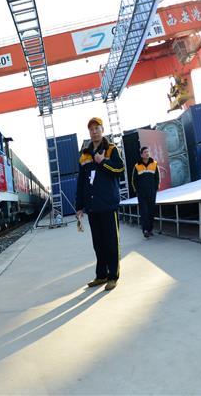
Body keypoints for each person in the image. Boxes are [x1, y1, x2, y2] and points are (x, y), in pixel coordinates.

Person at [75, 117, 126, 291]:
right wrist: (79, 206)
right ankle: (101, 275)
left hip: (108, 205)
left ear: (102, 130)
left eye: (97, 128)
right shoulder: (84, 155)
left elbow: (120, 169)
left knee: (111, 242)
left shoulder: (111, 149)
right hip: (92, 207)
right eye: (91, 129)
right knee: (98, 243)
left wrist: (102, 161)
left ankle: (113, 276)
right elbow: (81, 182)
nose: (94, 131)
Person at [131, 146, 160, 238]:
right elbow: (133, 180)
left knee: (151, 211)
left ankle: (150, 229)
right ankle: (145, 230)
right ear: (141, 155)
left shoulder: (154, 164)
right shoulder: (137, 166)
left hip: (152, 192)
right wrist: (137, 190)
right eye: (145, 152)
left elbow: (157, 178)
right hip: (141, 193)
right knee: (144, 211)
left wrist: (155, 188)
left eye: (148, 151)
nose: (147, 153)